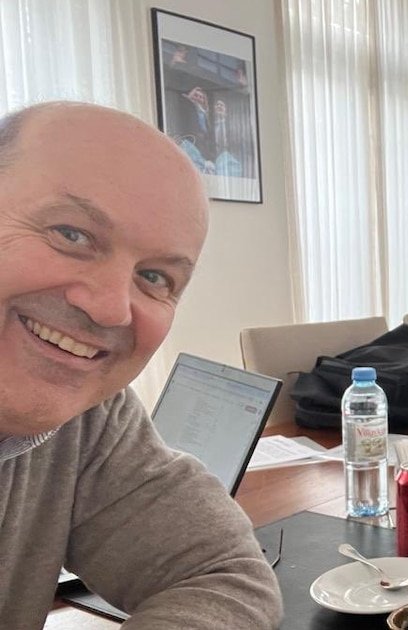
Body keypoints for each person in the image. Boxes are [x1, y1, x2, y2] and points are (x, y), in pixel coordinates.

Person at [0, 102, 282, 628]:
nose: (111, 308)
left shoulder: (87, 417)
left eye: (154, 277)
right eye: (71, 234)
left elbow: (224, 573)